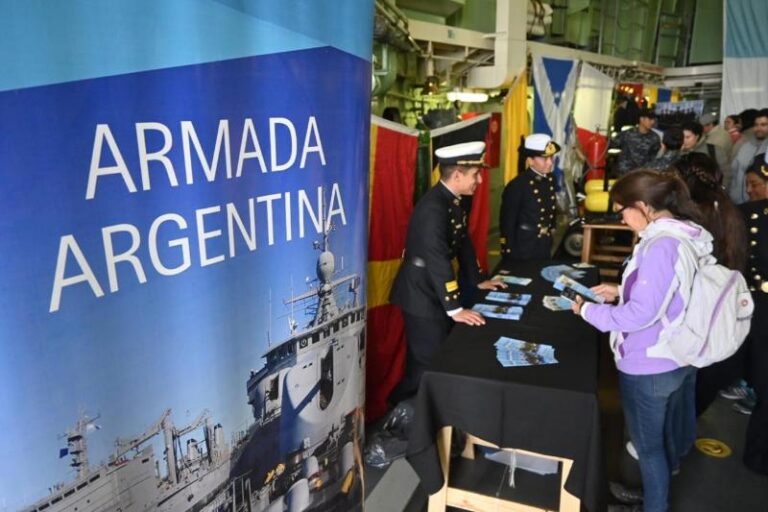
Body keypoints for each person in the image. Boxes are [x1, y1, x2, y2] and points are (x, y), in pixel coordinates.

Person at [571, 170, 709, 512]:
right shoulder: (682, 234)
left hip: (650, 363)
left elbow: (639, 315)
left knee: (648, 449)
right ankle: (656, 494)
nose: (621, 219)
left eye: (623, 211)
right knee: (663, 438)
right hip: (676, 354)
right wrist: (621, 290)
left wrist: (587, 310)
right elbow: (671, 292)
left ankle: (654, 505)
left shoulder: (661, 246)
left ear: (643, 206)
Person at [389, 141, 505, 402]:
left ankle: (420, 411)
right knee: (427, 361)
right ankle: (401, 411)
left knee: (433, 358)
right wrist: (455, 308)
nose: (479, 181)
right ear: (457, 175)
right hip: (421, 292)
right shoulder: (434, 208)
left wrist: (477, 280)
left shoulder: (452, 201)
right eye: (475, 174)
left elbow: (463, 242)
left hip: (433, 287)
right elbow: (437, 259)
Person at [670, 153, 748, 416]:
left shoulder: (689, 218)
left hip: (693, 313)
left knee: (681, 389)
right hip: (719, 313)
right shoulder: (730, 211)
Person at [739, 153, 768, 475]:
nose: (750, 191)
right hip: (753, 302)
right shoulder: (747, 215)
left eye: (756, 184)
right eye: (748, 184)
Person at [499, 133, 560, 260]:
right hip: (523, 246)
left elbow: (550, 208)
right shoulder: (518, 185)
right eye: (544, 159)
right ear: (530, 160)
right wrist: (507, 249)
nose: (550, 162)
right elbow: (507, 222)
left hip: (544, 242)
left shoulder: (550, 179)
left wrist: (552, 228)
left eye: (551, 157)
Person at [730, 109, 768, 204]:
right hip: (738, 203)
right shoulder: (745, 146)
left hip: (761, 205)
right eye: (756, 125)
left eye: (763, 125)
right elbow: (734, 171)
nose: (758, 128)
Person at [680, 121, 731, 190]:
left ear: (697, 136)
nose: (684, 141)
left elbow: (726, 173)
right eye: (682, 137)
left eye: (687, 137)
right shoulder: (679, 153)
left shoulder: (714, 150)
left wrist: (721, 189)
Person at [616, 109, 661, 175]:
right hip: (625, 174)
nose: (652, 122)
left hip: (642, 174)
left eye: (654, 119)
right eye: (650, 119)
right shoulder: (627, 134)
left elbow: (653, 157)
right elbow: (611, 144)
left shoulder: (655, 137)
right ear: (641, 119)